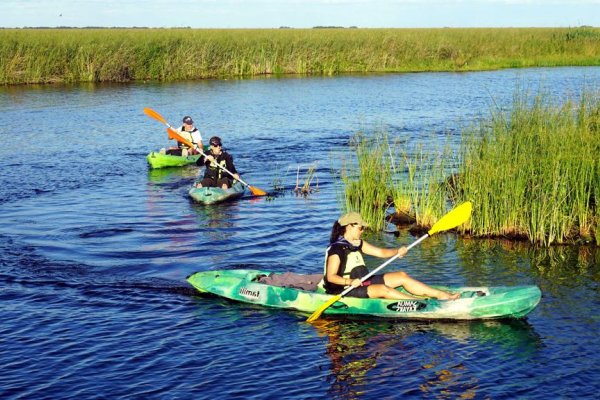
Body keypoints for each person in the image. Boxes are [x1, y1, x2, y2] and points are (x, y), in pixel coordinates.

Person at [318, 212, 460, 300]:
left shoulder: (357, 243)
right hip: (343, 289)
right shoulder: (336, 249)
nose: (362, 231)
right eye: (360, 228)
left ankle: (441, 295)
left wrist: (397, 251)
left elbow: (380, 252)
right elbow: (331, 277)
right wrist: (349, 282)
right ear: (349, 226)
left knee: (401, 275)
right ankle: (417, 303)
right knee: (383, 289)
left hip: (361, 281)